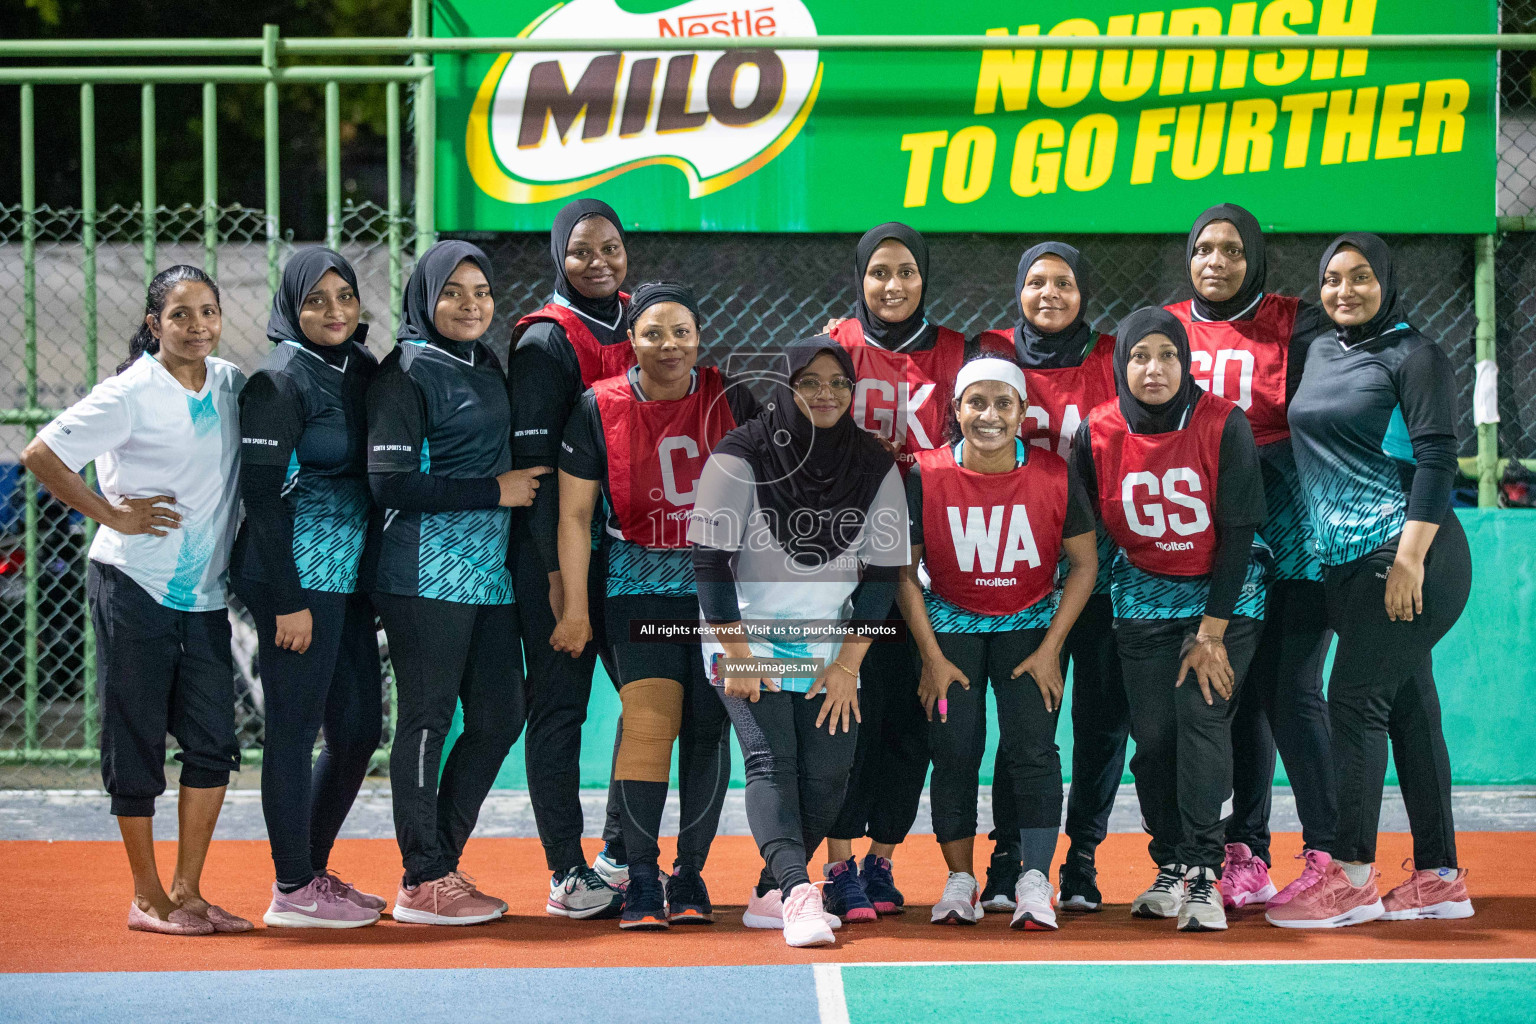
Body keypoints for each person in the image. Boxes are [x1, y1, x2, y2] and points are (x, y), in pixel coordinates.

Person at [21, 265, 251, 935]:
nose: (198, 325)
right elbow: (42, 453)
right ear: (155, 324)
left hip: (205, 597)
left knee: (213, 743)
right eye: (181, 314)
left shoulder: (233, 383)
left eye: (208, 311)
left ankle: (189, 890)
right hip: (132, 586)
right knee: (136, 740)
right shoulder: (127, 393)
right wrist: (109, 514)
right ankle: (147, 896)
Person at [1268, 233, 1472, 928]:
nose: (1344, 290)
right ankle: (1440, 876)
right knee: (1409, 707)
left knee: (1352, 700)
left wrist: (1409, 559)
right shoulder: (1321, 349)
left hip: (1409, 555)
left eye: (1360, 277)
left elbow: (1440, 459)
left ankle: (1351, 876)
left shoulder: (1416, 355)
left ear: (1387, 281)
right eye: (1331, 279)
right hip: (1346, 563)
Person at [550, 282, 760, 929]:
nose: (668, 345)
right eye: (652, 333)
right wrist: (577, 610)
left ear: (699, 339)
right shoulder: (599, 405)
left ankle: (689, 874)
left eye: (681, 333)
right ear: (631, 342)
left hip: (717, 587)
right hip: (638, 582)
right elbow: (576, 514)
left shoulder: (733, 398)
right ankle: (640, 874)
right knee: (648, 720)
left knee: (706, 728)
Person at [690, 340, 907, 948]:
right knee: (770, 762)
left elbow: (884, 572)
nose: (826, 394)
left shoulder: (873, 463)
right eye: (810, 381)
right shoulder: (738, 455)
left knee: (828, 779)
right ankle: (794, 890)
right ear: (786, 387)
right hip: (745, 636)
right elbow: (709, 563)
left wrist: (847, 663)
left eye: (839, 382)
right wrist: (736, 654)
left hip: (828, 645)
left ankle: (766, 892)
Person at [368, 240, 546, 925]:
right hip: (422, 573)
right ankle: (422, 876)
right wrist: (492, 490)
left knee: (501, 715)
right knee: (427, 719)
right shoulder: (404, 372)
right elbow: (389, 483)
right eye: (453, 293)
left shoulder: (486, 361)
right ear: (425, 298)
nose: (470, 305)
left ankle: (437, 861)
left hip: (487, 576)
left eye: (481, 292)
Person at [1073, 307, 1268, 933]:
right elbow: (1084, 536)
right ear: (1119, 363)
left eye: (1167, 356)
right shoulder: (1096, 432)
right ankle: (1171, 865)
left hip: (1223, 598)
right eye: (1138, 356)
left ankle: (1206, 871)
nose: (1152, 369)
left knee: (1201, 719)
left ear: (1186, 364)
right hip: (1143, 596)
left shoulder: (1222, 423)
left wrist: (1212, 631)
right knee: (1153, 740)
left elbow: (1238, 533)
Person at [1167, 204, 1337, 909]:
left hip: (1292, 523)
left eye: (1232, 250)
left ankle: (1335, 854)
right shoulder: (1168, 326)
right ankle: (1246, 854)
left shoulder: (1300, 322)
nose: (1216, 262)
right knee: (1230, 697)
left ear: (1255, 257)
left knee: (1287, 689)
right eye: (1204, 248)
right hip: (1214, 530)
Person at [896, 356, 1097, 930]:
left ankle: (1035, 879)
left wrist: (1053, 645)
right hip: (950, 629)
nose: (989, 415)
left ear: (1023, 411)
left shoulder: (1055, 474)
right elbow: (904, 572)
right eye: (975, 402)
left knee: (1033, 752)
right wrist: (930, 656)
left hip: (1029, 629)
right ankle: (960, 881)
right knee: (954, 750)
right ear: (955, 411)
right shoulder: (925, 473)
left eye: (1003, 403)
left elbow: (1084, 563)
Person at [231, 247, 385, 928]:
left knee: (358, 729)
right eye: (316, 299)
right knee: (294, 730)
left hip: (346, 577)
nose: (333, 311)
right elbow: (260, 497)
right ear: (291, 306)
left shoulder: (363, 369)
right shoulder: (278, 380)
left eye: (345, 297)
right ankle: (291, 887)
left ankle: (312, 872)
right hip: (289, 574)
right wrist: (289, 599)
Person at [822, 222, 968, 920]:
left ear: (925, 277)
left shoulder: (960, 353)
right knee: (852, 712)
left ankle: (881, 861)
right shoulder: (834, 348)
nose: (893, 284)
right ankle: (838, 864)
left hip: (937, 559)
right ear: (861, 278)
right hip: (854, 563)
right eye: (880, 272)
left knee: (913, 726)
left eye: (906, 271)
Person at [975, 242, 1121, 913]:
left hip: (1100, 565)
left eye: (1064, 282)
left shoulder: (1117, 356)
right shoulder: (990, 349)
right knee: (1025, 722)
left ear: (1084, 291)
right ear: (1018, 289)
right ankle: (1008, 855)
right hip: (1018, 568)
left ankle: (1083, 858)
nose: (1050, 294)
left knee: (1099, 720)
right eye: (1036, 282)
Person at [509, 198, 637, 910]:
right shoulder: (543, 343)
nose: (598, 262)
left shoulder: (638, 324)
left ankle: (618, 853)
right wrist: (560, 577)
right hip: (558, 556)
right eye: (582, 250)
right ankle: (565, 869)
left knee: (651, 698)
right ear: (559, 255)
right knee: (560, 707)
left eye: (610, 248)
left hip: (628, 553)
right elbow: (534, 480)